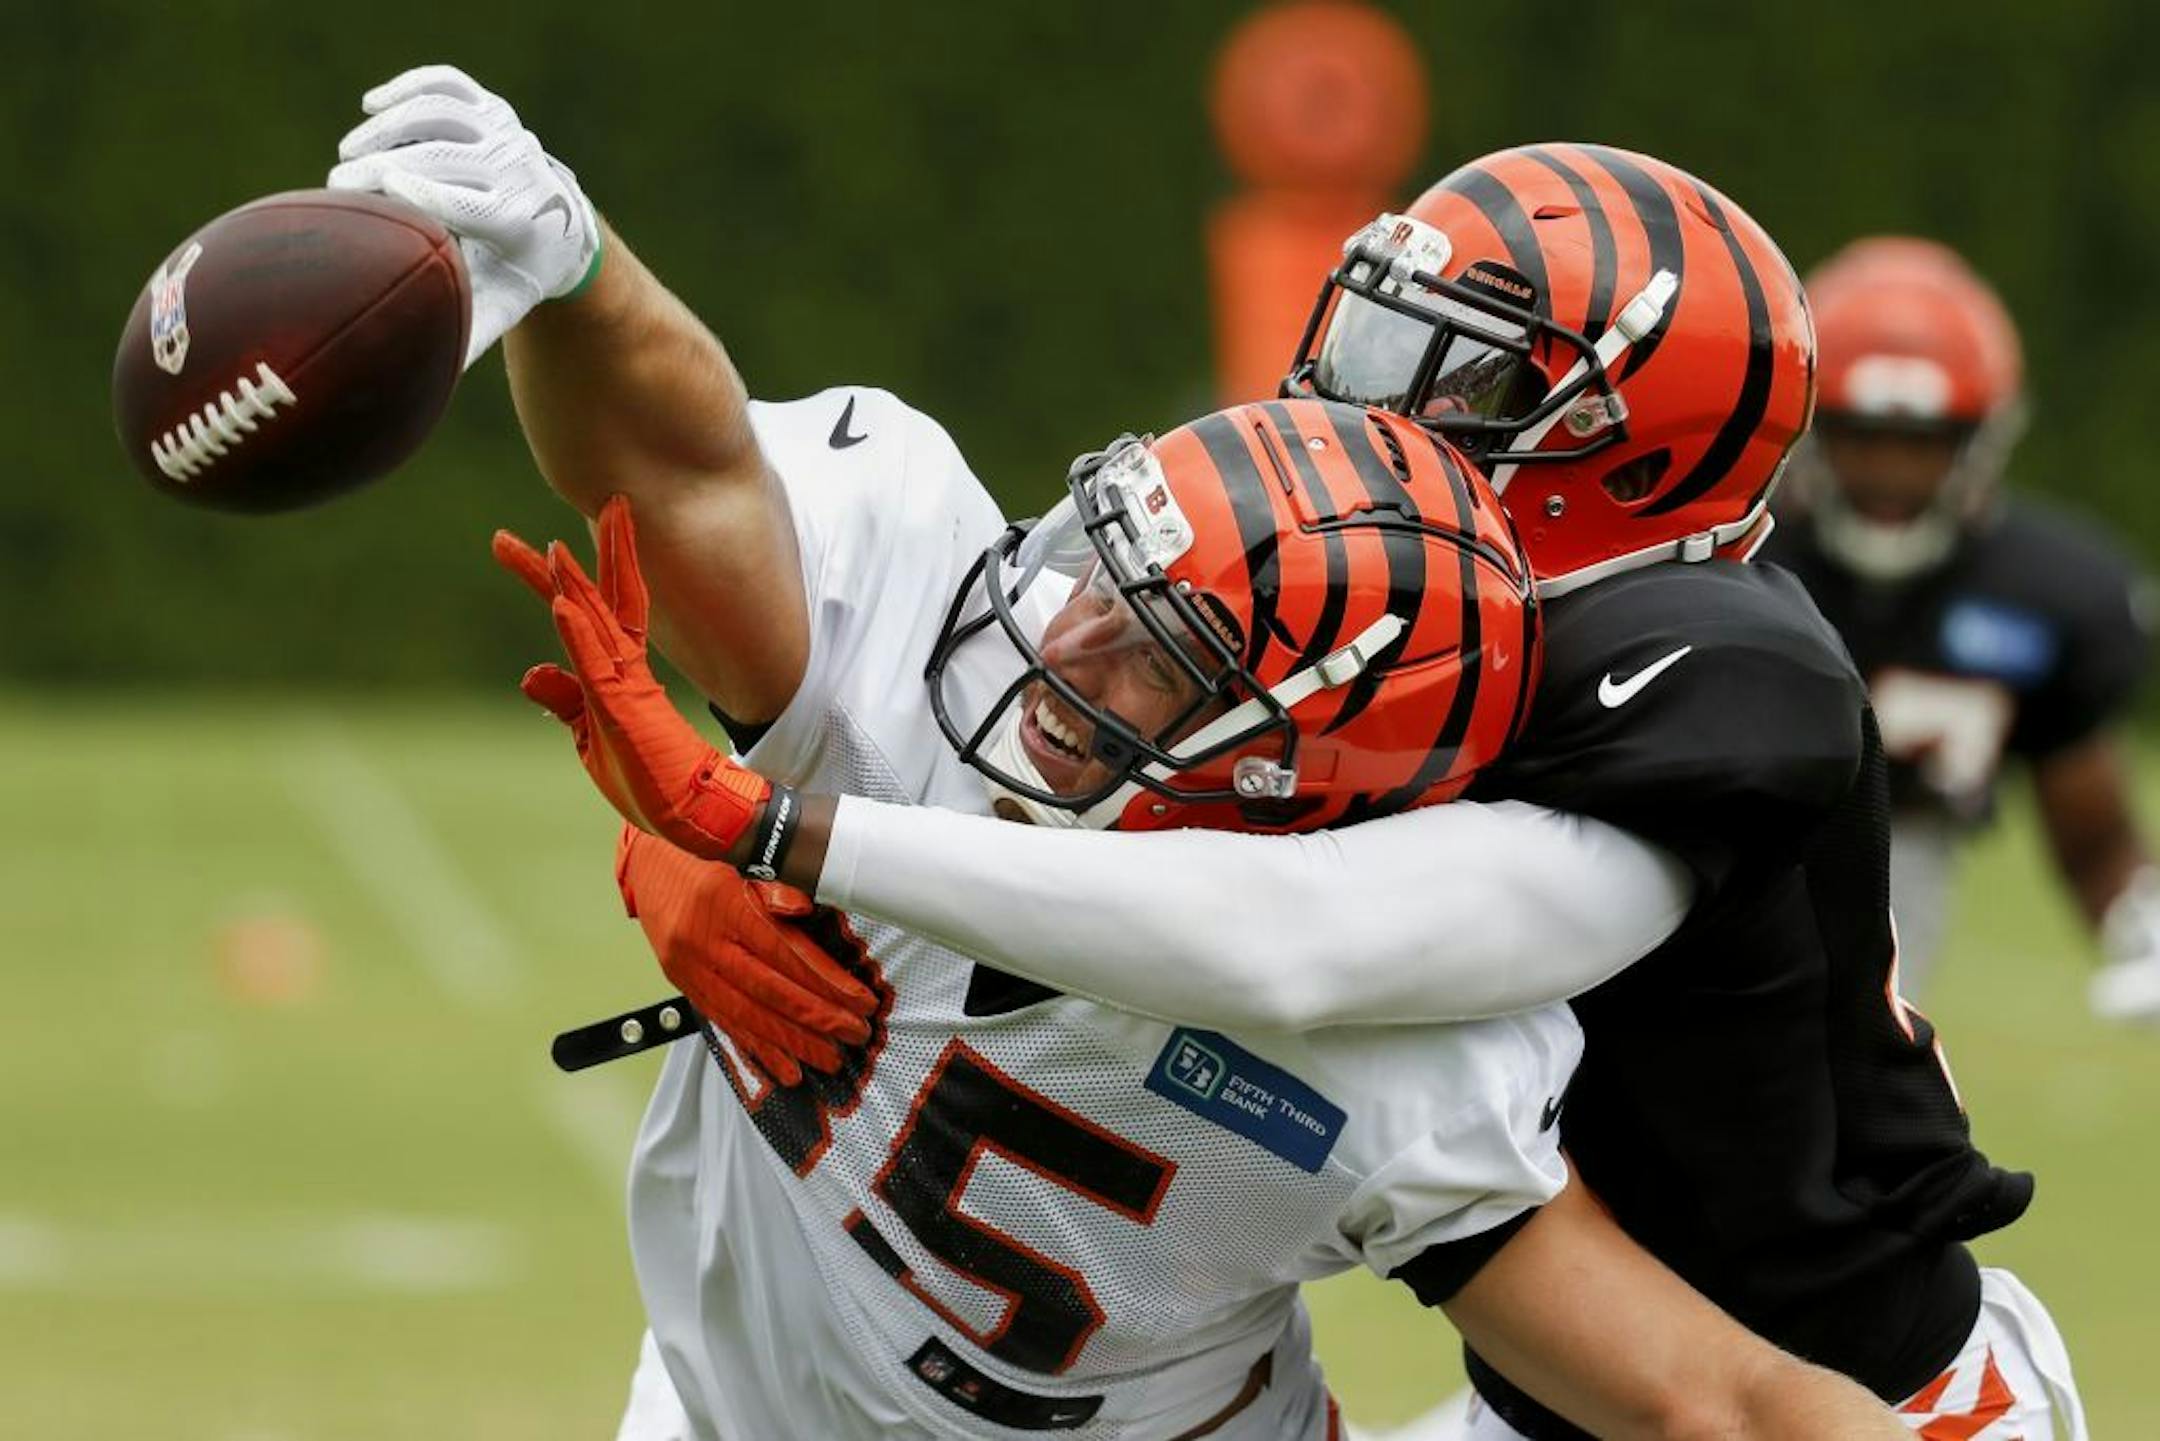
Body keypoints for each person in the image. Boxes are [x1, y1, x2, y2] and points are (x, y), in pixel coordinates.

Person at [322, 73, 2006, 1437]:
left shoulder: (1680, 715)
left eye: (1151, 649)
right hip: (732, 1396)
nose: (1054, 643)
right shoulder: (1023, 638)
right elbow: (684, 466)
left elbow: (1302, 948)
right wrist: (569, 265)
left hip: (1871, 1346)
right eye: (1100, 567)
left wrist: (774, 825)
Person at [1763, 236, 2159, 1014]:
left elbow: (2091, 826)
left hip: (1904, 875)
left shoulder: (2049, 592)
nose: (1888, 472)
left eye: (1922, 444)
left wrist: (2138, 922)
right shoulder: (1737, 557)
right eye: (1861, 436)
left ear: (1980, 440)